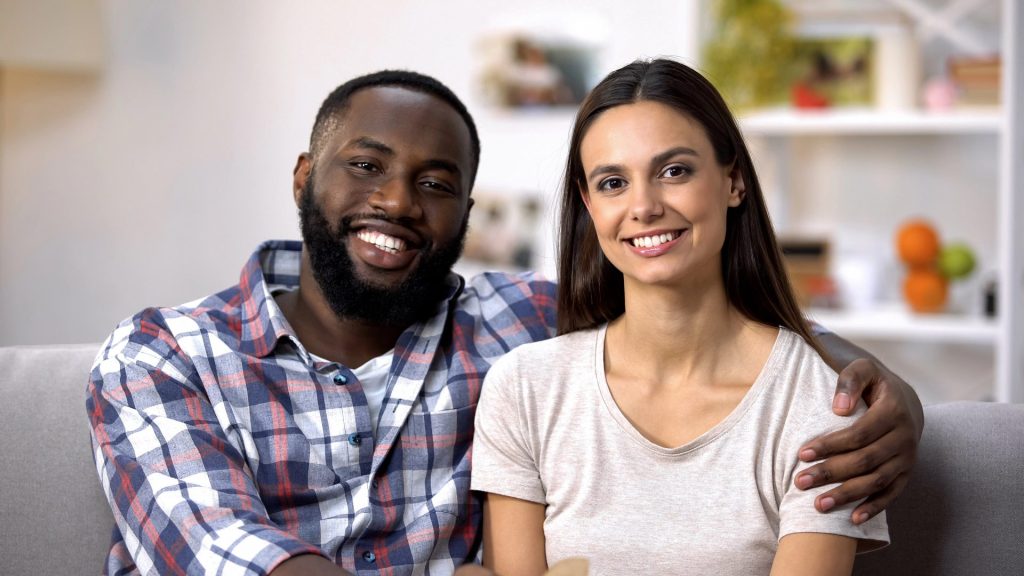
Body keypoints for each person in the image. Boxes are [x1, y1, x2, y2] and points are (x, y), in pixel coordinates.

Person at [86, 69, 921, 576]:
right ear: (305, 176)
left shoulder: (508, 324)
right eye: (366, 166)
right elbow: (224, 554)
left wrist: (884, 389)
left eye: (436, 183)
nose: (396, 202)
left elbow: (681, 302)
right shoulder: (166, 354)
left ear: (466, 213)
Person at [471, 59, 891, 575]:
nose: (643, 206)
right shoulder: (524, 389)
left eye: (674, 171)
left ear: (733, 182)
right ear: (588, 203)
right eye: (612, 183)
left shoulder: (814, 402)